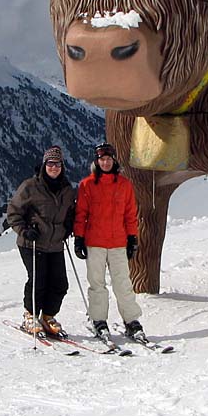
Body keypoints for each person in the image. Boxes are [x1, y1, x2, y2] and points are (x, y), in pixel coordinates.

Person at [73, 142, 144, 340]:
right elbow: (81, 214)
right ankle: (99, 320)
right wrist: (79, 238)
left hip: (118, 242)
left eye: (108, 159)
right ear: (97, 162)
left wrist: (132, 237)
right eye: (102, 159)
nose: (105, 163)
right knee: (97, 284)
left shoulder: (124, 185)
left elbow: (130, 214)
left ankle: (131, 321)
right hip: (94, 242)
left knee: (123, 283)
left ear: (114, 161)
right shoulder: (87, 185)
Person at [6, 145, 76, 337]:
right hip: (32, 242)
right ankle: (30, 315)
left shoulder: (67, 189)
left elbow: (70, 211)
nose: (54, 167)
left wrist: (68, 226)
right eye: (50, 164)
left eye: (58, 164)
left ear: (62, 166)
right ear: (44, 165)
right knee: (38, 280)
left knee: (60, 283)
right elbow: (13, 212)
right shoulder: (30, 186)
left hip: (55, 243)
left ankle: (48, 316)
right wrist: (24, 230)